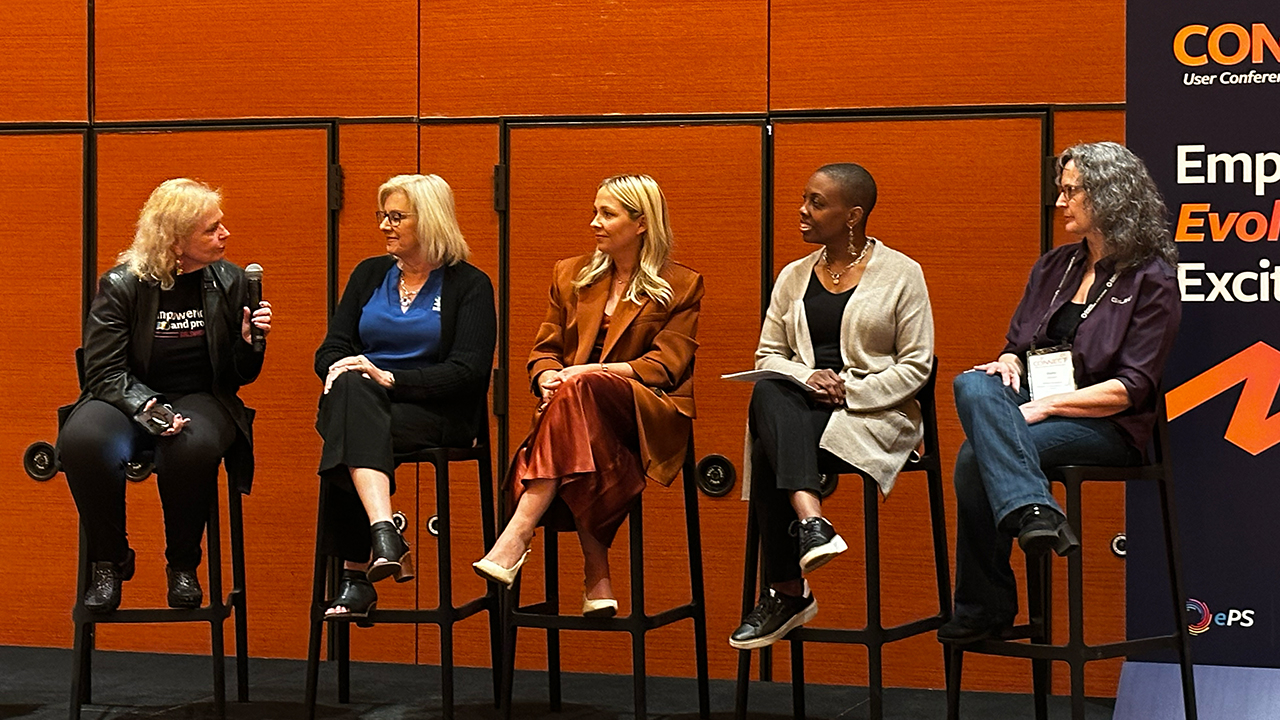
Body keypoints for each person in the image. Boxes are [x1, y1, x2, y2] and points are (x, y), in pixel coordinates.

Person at [940, 141, 1181, 643]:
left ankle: (986, 607)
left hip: (1104, 426)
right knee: (973, 382)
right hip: (1032, 404)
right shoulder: (1054, 266)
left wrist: (1043, 406)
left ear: (1109, 196)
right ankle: (1036, 510)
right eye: (1061, 190)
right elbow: (1017, 345)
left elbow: (1132, 387)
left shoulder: (1151, 278)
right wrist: (1008, 360)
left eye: (1071, 191)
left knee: (972, 458)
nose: (1060, 202)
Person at [472, 174, 702, 618]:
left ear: (640, 224)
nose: (594, 222)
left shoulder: (682, 284)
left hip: (643, 410)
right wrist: (548, 378)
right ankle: (597, 573)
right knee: (580, 416)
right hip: (579, 415)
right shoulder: (570, 275)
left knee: (581, 388)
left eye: (607, 214)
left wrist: (585, 372)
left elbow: (665, 366)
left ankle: (518, 534)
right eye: (595, 210)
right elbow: (545, 350)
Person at [729, 163, 935, 649]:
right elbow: (769, 355)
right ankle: (812, 523)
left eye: (817, 203)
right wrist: (807, 376)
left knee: (767, 448)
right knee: (770, 389)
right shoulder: (793, 276)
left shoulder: (903, 274)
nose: (802, 211)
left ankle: (786, 590)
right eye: (804, 198)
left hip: (871, 414)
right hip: (799, 408)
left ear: (853, 215)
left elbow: (916, 367)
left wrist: (849, 390)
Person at [59, 178, 272, 612]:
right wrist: (147, 409)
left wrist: (251, 344)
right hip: (122, 395)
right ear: (176, 242)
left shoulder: (229, 281)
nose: (224, 234)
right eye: (211, 229)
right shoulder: (122, 285)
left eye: (221, 225)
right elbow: (102, 371)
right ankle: (110, 561)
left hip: (201, 393)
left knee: (190, 448)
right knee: (83, 442)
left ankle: (182, 565)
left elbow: (237, 378)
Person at [314, 174, 495, 620]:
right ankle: (382, 533)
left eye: (397, 217)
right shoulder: (369, 274)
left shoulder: (469, 285)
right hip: (366, 405)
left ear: (429, 221)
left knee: (347, 429)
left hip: (436, 413)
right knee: (353, 394)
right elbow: (331, 348)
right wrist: (347, 368)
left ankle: (358, 573)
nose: (384, 226)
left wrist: (390, 378)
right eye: (383, 216)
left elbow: (466, 372)